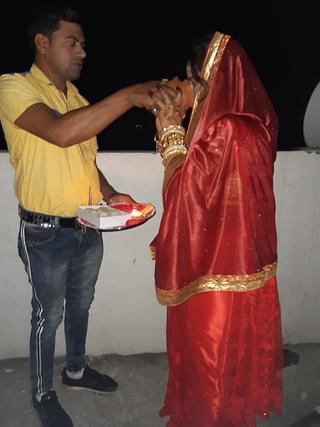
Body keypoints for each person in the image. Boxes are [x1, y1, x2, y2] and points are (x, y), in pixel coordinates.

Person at [0, 4, 160, 427]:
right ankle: (40, 392)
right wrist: (128, 96)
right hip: (45, 232)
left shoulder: (80, 100)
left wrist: (112, 194)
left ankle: (75, 371)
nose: (82, 52)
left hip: (90, 224)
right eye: (72, 42)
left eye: (84, 44)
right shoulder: (14, 87)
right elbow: (59, 132)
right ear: (42, 43)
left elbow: (85, 160)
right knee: (46, 314)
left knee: (82, 304)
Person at [150, 31, 283, 427]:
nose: (188, 89)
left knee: (210, 360)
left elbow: (185, 197)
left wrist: (171, 132)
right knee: (235, 363)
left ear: (212, 79)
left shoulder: (224, 130)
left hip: (213, 271)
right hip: (247, 266)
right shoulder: (256, 125)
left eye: (193, 81)